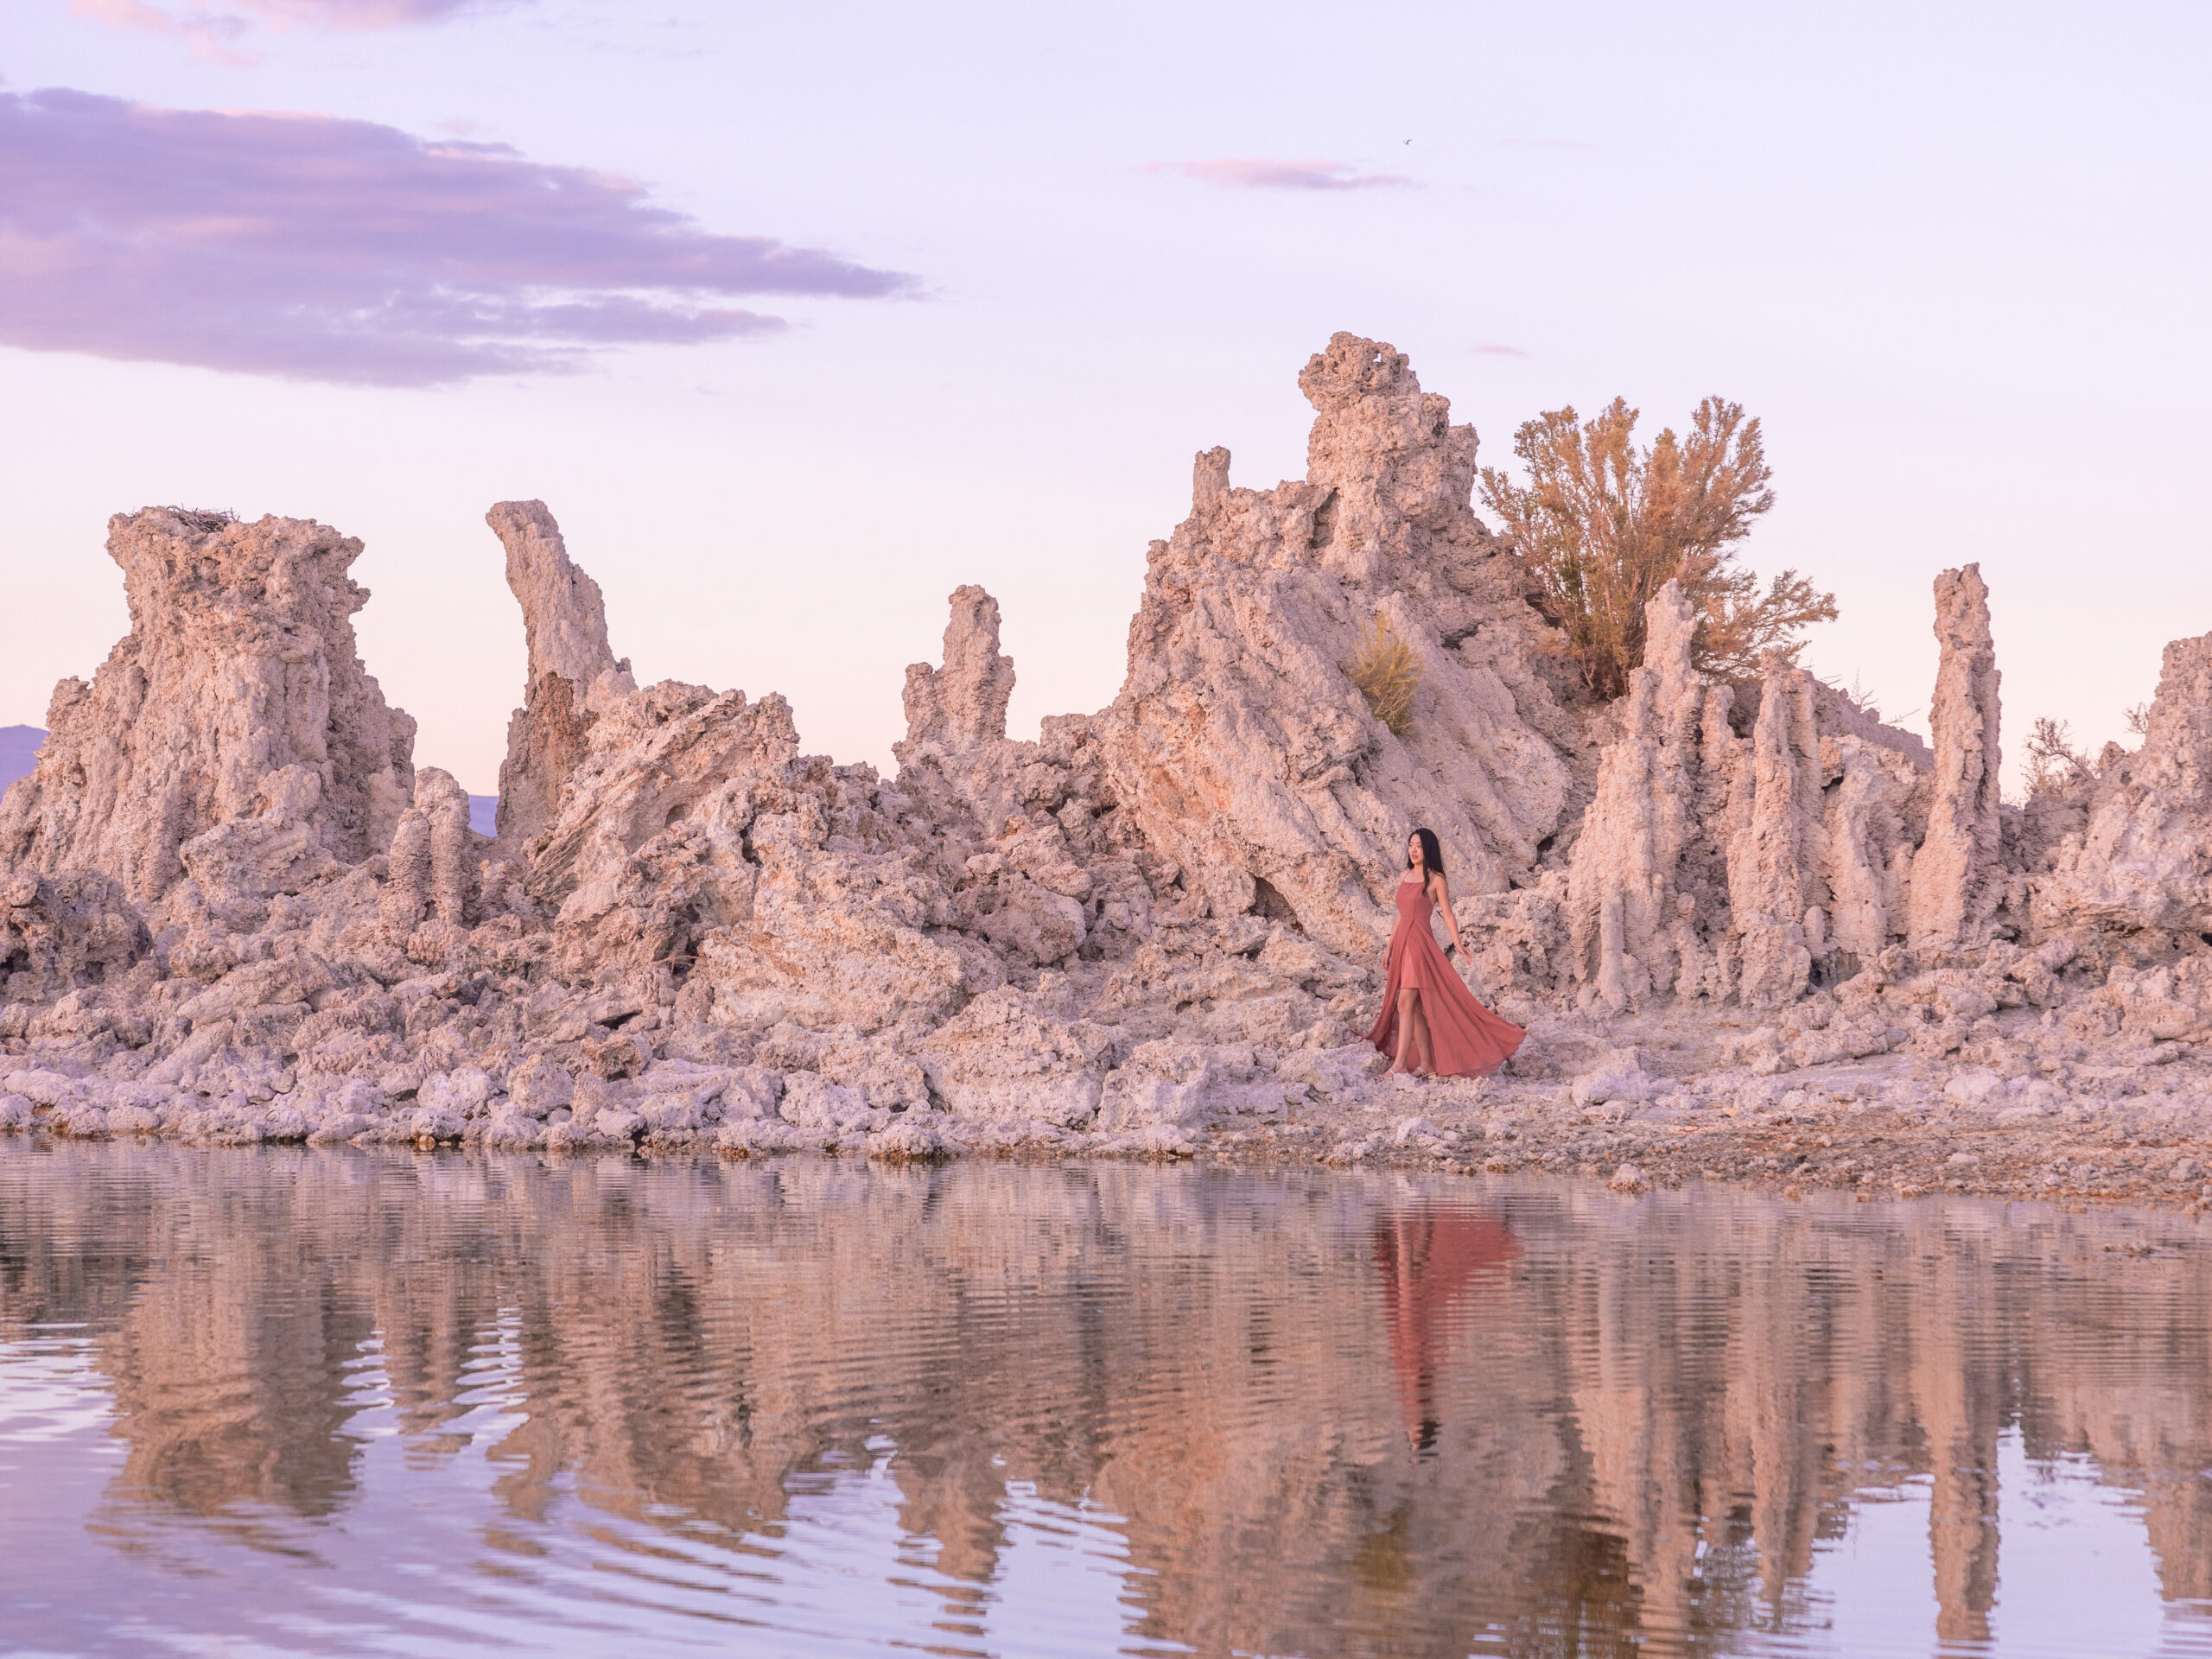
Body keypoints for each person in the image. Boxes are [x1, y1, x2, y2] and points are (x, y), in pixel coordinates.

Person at [1364, 828, 1524, 1078]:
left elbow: (1447, 914)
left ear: (1429, 849)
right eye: (1410, 845)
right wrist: (1390, 947)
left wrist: (1458, 944)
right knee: (1415, 1007)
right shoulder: (1404, 876)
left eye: (1418, 846)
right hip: (1404, 945)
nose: (1413, 850)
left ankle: (1398, 1067)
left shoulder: (1436, 879)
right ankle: (1426, 1064)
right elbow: (1401, 916)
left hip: (1420, 945)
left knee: (1404, 1002)